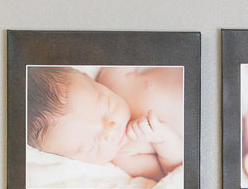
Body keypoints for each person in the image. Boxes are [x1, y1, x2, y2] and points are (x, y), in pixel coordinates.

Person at [27, 65, 184, 181]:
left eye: (106, 109)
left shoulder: (114, 79)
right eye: (92, 144)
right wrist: (163, 138)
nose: (110, 132)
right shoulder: (125, 156)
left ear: (88, 79)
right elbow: (171, 171)